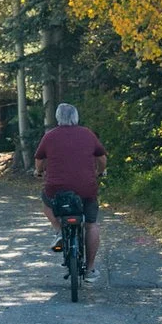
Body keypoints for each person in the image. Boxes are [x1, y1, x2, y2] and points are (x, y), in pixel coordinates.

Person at [35, 102, 105, 268]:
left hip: (56, 190)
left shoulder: (50, 136)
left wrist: (39, 172)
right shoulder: (88, 134)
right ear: (76, 117)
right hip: (86, 188)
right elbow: (101, 158)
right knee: (91, 224)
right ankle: (90, 269)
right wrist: (100, 172)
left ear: (58, 118)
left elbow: (39, 160)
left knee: (46, 203)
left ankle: (59, 230)